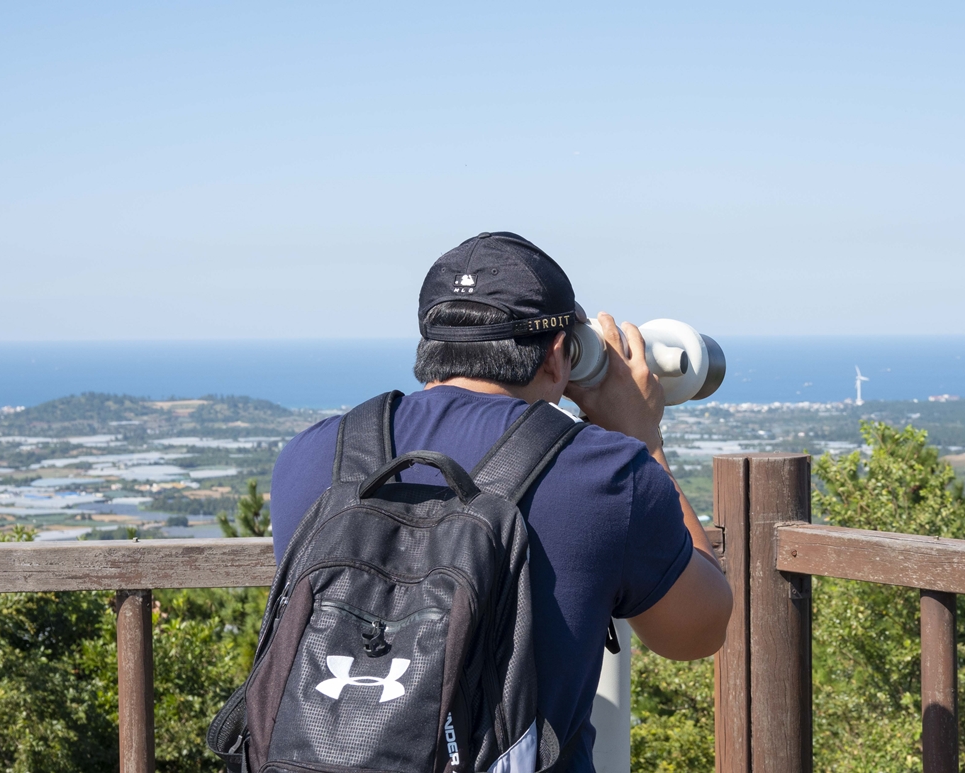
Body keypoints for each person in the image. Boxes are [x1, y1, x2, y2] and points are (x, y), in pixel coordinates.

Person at [269, 231, 734, 772]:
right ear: (562, 354)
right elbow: (698, 630)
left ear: (431, 346)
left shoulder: (311, 456)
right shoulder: (603, 472)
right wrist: (642, 439)